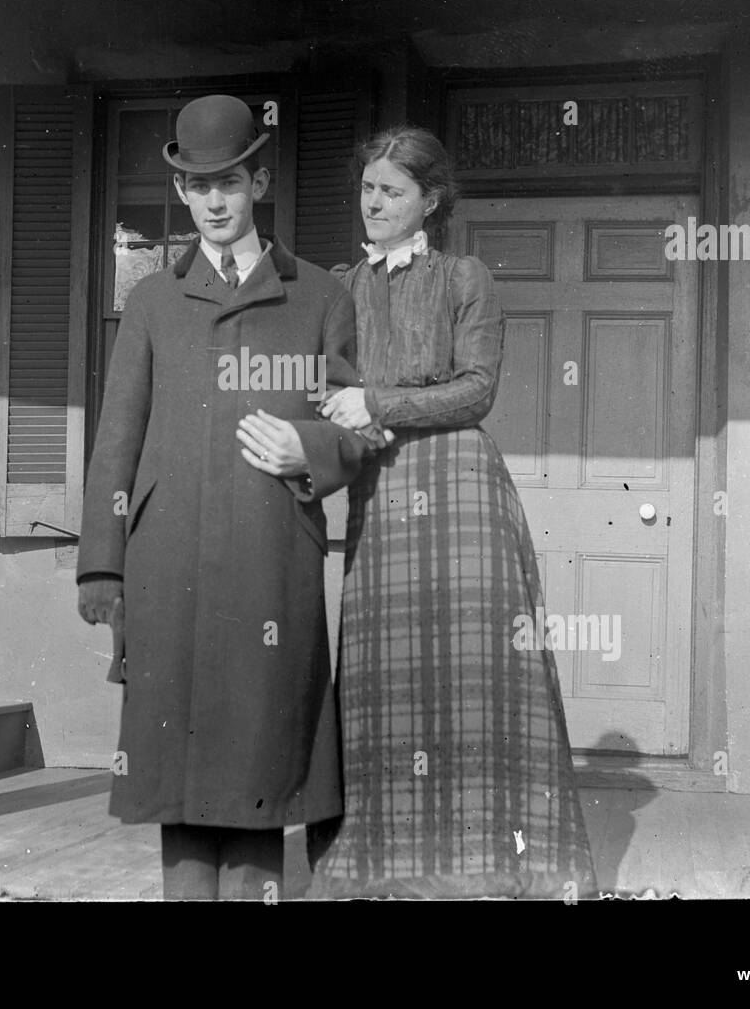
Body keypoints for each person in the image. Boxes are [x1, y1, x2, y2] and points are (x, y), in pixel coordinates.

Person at [75, 94, 389, 900]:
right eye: (197, 187)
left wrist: (308, 448)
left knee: (259, 767)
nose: (214, 202)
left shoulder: (321, 298)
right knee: (178, 776)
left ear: (258, 182)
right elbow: (117, 438)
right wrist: (102, 571)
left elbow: (355, 428)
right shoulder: (150, 303)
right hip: (166, 561)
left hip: (268, 562)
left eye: (230, 184)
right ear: (182, 193)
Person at [278, 124, 596, 898]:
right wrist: (336, 417)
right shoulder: (341, 286)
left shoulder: (465, 277)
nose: (375, 202)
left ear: (431, 201)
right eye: (367, 189)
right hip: (379, 491)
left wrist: (378, 401)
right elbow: (324, 389)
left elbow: (476, 389)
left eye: (393, 191)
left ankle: (498, 867)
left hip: (460, 491)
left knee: (478, 677)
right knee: (382, 678)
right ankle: (376, 867)